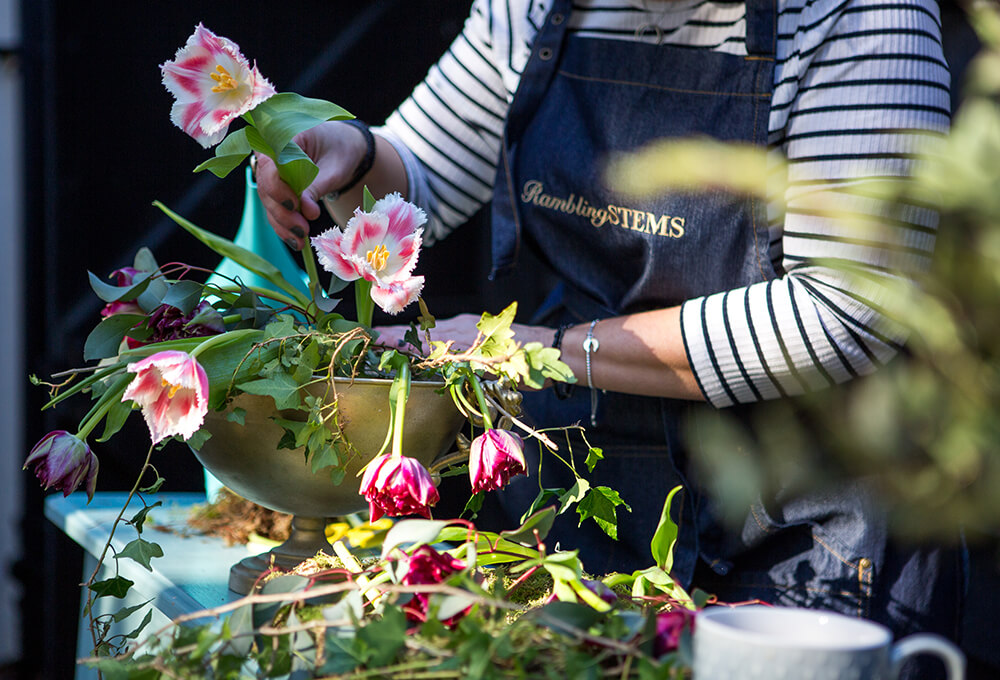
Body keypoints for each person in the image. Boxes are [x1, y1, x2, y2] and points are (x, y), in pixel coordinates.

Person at [257, 1, 962, 676]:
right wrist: (355, 159)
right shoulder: (536, 5)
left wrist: (535, 348)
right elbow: (427, 170)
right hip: (575, 520)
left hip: (796, 549)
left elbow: (845, 309)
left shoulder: (861, 10)